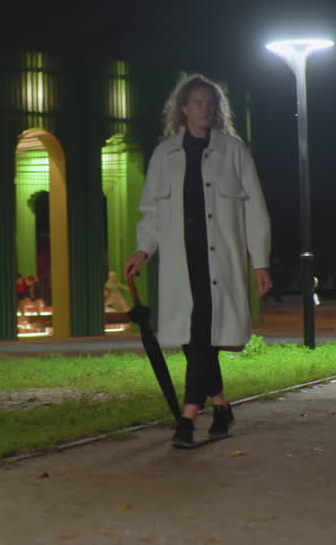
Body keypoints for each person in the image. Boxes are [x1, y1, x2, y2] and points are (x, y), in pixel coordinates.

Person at [124, 73, 272, 448]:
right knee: (195, 340)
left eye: (211, 103)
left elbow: (255, 209)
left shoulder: (234, 152)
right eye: (198, 102)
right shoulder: (165, 155)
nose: (205, 109)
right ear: (184, 108)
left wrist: (261, 262)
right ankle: (220, 405)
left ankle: (188, 418)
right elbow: (151, 211)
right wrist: (144, 249)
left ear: (217, 109)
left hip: (219, 262)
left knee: (202, 331)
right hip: (179, 261)